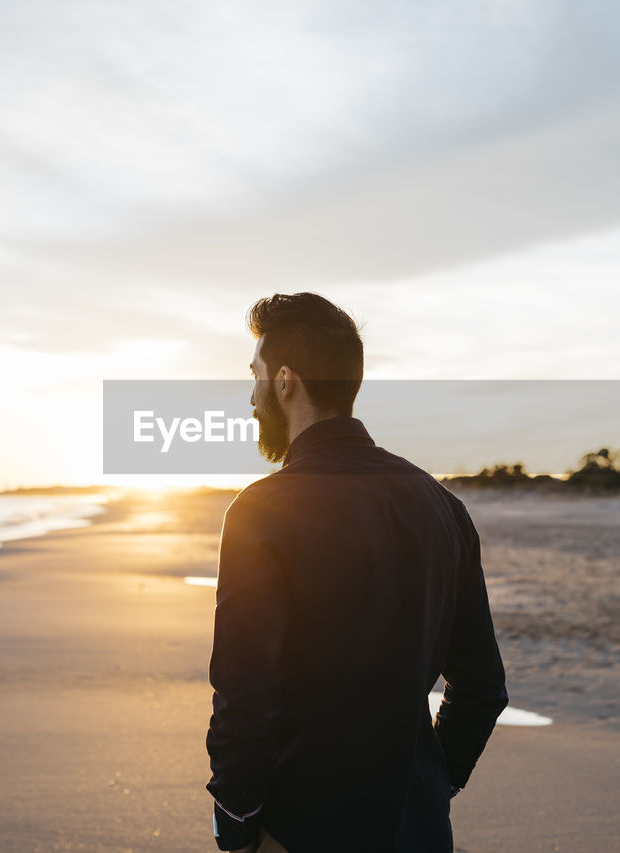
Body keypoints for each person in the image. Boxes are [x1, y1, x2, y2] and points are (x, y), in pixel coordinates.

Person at [206, 292, 509, 853]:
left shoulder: (262, 511)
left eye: (255, 376)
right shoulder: (442, 506)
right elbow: (482, 688)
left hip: (300, 827)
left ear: (286, 381)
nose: (251, 397)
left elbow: (245, 695)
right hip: (417, 828)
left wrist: (238, 825)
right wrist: (432, 786)